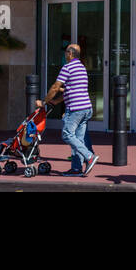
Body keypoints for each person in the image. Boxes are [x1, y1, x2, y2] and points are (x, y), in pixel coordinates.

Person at [42, 42, 98, 177]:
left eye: (66, 52)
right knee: (78, 139)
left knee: (67, 134)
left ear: (70, 54)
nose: (65, 54)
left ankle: (89, 156)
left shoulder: (67, 67)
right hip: (86, 108)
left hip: (76, 109)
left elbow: (56, 87)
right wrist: (55, 101)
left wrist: (44, 101)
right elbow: (71, 90)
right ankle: (76, 169)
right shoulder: (82, 68)